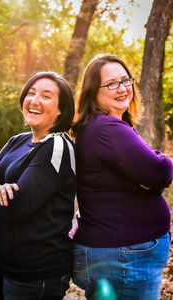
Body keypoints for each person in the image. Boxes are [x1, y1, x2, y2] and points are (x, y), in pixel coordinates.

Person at [71, 54, 172, 300]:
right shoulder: (107, 129)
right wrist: (161, 163)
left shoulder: (102, 127)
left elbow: (150, 173)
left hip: (120, 252)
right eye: (111, 83)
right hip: (126, 254)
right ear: (93, 92)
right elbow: (161, 172)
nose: (122, 88)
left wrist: (151, 171)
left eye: (126, 80)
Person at [0, 71, 76, 300]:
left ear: (61, 109)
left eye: (46, 96)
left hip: (34, 275)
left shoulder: (57, 146)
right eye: (31, 93)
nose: (35, 100)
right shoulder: (17, 141)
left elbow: (18, 206)